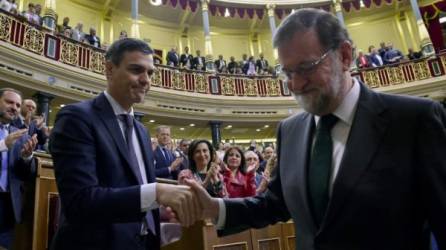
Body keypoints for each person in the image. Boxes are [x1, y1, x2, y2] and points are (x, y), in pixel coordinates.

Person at [186, 8, 446, 250]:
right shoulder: (290, 131)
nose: (296, 85)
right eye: (287, 73)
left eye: (306, 68)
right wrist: (215, 208)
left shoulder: (413, 120)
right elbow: (275, 204)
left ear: (344, 55)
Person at [49, 38, 200, 250]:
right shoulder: (76, 118)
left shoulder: (141, 130)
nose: (146, 79)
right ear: (110, 69)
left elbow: (136, 193)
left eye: (150, 73)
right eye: (137, 69)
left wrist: (161, 209)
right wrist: (156, 193)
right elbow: (80, 201)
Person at [0, 88, 37, 249]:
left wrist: (27, 157)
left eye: (17, 104)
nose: (14, 107)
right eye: (9, 102)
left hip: (9, 203)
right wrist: (2, 145)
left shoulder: (21, 134)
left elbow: (28, 174)